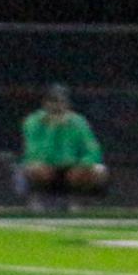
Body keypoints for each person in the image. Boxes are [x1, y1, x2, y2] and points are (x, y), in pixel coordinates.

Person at [19, 83, 108, 212]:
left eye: (60, 102)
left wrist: (82, 164)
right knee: (33, 169)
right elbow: (33, 153)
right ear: (45, 103)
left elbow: (94, 151)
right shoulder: (33, 122)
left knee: (99, 171)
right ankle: (37, 199)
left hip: (72, 169)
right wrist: (53, 129)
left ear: (67, 104)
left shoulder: (78, 121)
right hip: (47, 168)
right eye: (52, 101)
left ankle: (76, 201)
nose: (56, 106)